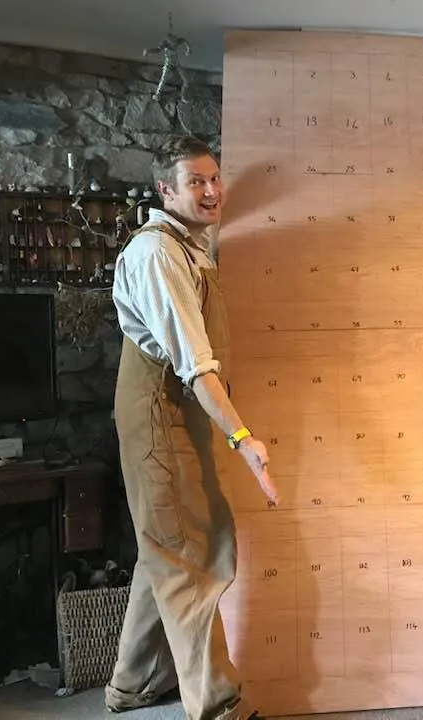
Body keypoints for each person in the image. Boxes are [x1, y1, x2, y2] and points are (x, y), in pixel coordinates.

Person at [106, 135, 279, 720]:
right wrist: (242, 438)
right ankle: (220, 704)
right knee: (188, 559)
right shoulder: (158, 254)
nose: (211, 192)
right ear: (166, 191)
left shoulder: (190, 247)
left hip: (177, 412)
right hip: (161, 412)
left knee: (166, 546)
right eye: (196, 183)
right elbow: (196, 365)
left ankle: (133, 683)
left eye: (214, 179)